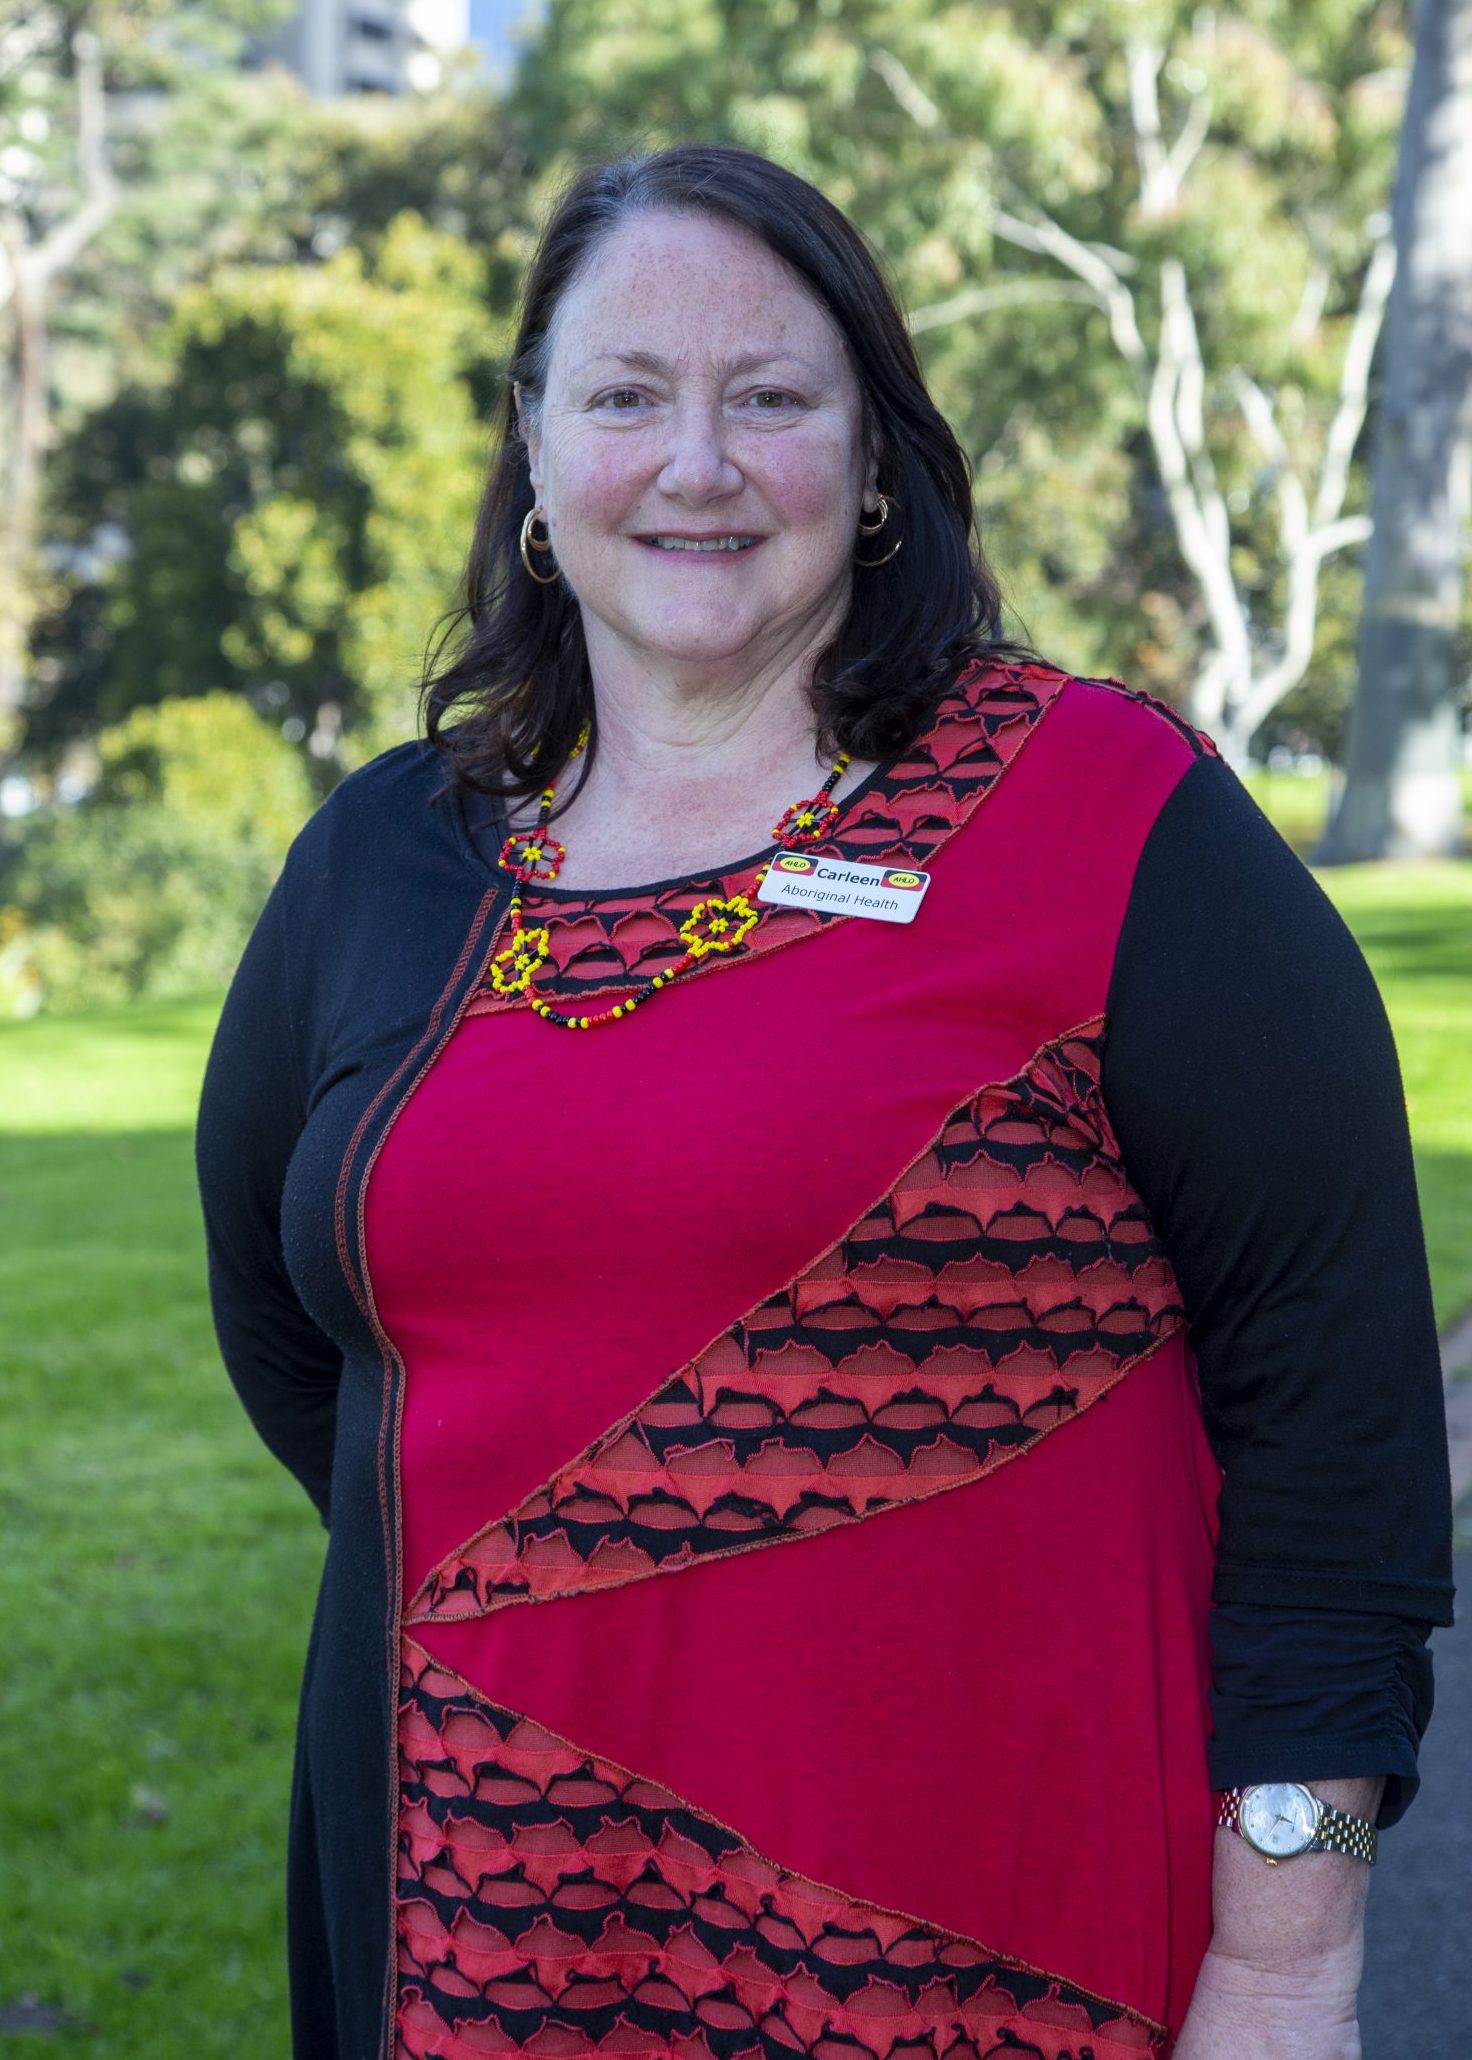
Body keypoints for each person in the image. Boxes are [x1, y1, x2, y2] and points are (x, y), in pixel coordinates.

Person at [195, 144, 1456, 2060]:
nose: (694, 463)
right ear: (533, 450)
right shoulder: (391, 857)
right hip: (480, 1917)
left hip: (996, 1941)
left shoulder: (1108, 822)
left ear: (875, 460)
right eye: (625, 397)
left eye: (769, 398)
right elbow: (303, 1344)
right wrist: (558, 1578)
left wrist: (1287, 1967)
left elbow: (1333, 1419)